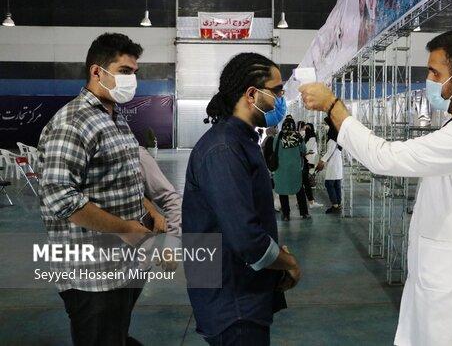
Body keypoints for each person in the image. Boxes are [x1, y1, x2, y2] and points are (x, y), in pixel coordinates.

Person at [300, 29, 452, 346]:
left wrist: (334, 106)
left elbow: (386, 157)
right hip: (441, 280)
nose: (428, 80)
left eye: (434, 72)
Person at [38, 33, 167, 346]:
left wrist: (150, 209)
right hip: (92, 274)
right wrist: (125, 229)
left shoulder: (116, 119)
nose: (132, 80)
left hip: (124, 265)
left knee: (114, 334)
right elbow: (60, 197)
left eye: (134, 73)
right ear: (97, 72)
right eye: (124, 71)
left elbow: (124, 177)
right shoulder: (73, 122)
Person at [182, 53, 302, 346]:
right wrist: (288, 262)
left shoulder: (241, 140)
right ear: (251, 94)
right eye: (277, 92)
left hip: (237, 293)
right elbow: (246, 239)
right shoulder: (224, 149)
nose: (281, 100)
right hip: (232, 304)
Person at [272, 117, 311, 221]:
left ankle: (286, 215)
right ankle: (304, 213)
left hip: (281, 169)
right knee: (299, 189)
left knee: (283, 191)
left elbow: (274, 149)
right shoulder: (298, 136)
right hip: (295, 169)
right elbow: (304, 150)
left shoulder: (278, 137)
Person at [316, 117, 343, 214]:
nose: (325, 127)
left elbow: (330, 152)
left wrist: (322, 161)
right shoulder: (338, 137)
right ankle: (338, 204)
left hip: (333, 164)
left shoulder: (332, 139)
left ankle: (335, 205)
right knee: (337, 184)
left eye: (326, 124)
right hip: (337, 163)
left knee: (329, 184)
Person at [302, 123, 322, 209]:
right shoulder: (306, 137)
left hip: (310, 161)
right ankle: (310, 201)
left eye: (308, 128)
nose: (306, 129)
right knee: (306, 182)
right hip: (306, 161)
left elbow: (307, 148)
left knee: (306, 181)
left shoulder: (312, 137)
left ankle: (309, 201)